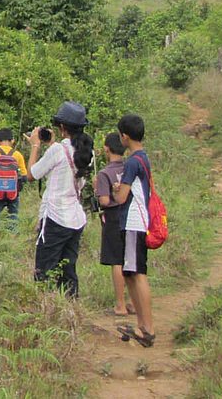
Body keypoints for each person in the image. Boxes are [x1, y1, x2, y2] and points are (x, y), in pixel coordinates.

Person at [26, 101, 93, 298]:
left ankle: (44, 310)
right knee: (68, 268)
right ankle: (70, 307)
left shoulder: (57, 150)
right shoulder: (87, 152)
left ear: (62, 127)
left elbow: (31, 174)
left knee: (44, 269)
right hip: (75, 218)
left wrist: (35, 146)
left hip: (55, 216)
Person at [113, 113, 155, 347]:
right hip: (139, 221)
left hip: (133, 223)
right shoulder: (143, 158)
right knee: (131, 274)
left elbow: (121, 197)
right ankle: (142, 325)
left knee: (137, 275)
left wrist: (115, 189)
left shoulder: (131, 162)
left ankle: (147, 328)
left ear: (125, 136)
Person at [94, 131, 133, 316]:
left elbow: (103, 201)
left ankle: (120, 304)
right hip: (131, 215)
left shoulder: (104, 173)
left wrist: (98, 190)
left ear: (106, 149)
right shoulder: (129, 167)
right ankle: (133, 302)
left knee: (116, 260)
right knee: (130, 258)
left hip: (113, 217)